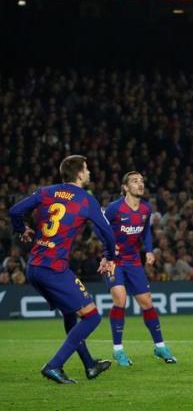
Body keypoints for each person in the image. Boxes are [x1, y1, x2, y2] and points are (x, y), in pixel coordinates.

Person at [9, 155, 115, 384]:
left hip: (34, 267)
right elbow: (108, 234)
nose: (89, 173)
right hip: (54, 268)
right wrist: (109, 257)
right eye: (86, 169)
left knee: (70, 313)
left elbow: (15, 211)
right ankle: (54, 365)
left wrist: (21, 229)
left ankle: (90, 365)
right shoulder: (86, 200)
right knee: (92, 317)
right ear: (79, 173)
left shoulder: (46, 192)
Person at [104, 171, 177, 366]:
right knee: (120, 299)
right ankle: (118, 350)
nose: (140, 184)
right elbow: (98, 226)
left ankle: (160, 346)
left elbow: (146, 232)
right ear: (125, 187)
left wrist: (149, 250)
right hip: (113, 261)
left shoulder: (146, 208)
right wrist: (109, 247)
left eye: (142, 181)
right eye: (135, 181)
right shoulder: (114, 208)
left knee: (146, 302)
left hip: (133, 261)